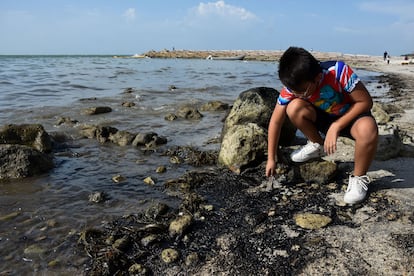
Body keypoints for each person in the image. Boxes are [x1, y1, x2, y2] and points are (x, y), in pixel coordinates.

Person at [266, 46, 378, 204]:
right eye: (294, 91)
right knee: (293, 107)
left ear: (317, 78)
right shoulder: (295, 86)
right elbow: (276, 121)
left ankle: (358, 178)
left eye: (303, 92)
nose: (297, 94)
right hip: (323, 118)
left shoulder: (338, 71)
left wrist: (336, 126)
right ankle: (316, 145)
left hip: (352, 117)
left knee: (368, 129)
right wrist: (271, 158)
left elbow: (366, 102)